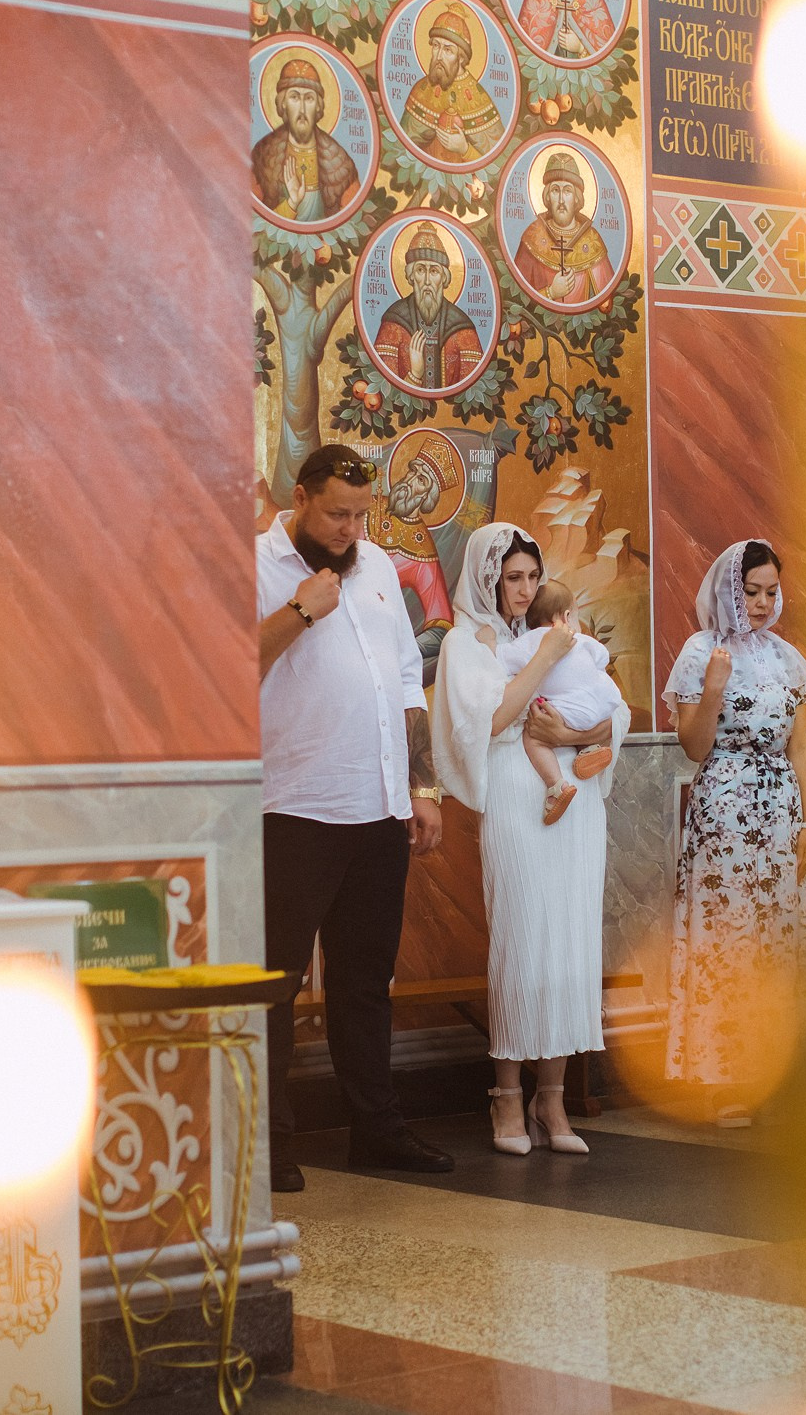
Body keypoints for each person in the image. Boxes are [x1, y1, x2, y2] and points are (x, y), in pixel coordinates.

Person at [258, 442, 456, 1191]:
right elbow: (232, 666)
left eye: (360, 515)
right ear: (301, 497)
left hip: (378, 806)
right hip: (293, 807)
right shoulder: (256, 563)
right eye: (337, 514)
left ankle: (377, 1130)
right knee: (273, 982)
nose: (349, 530)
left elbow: (408, 677)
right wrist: (299, 610)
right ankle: (271, 1142)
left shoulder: (374, 566)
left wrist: (423, 785)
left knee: (366, 980)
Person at [431, 523, 624, 1156]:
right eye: (511, 577)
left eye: (532, 577)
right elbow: (487, 723)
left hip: (576, 793)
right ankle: (507, 1098)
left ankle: (554, 1100)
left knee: (569, 937)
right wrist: (545, 658)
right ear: (487, 576)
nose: (523, 588)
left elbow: (612, 709)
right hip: (518, 791)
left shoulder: (561, 635)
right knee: (522, 935)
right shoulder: (468, 643)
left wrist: (577, 737)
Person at [663, 540, 806, 1129]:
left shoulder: (786, 657)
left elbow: (801, 744)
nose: (760, 603)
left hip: (779, 809)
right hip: (723, 812)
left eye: (770, 592)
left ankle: (774, 1071)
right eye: (750, 591)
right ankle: (723, 1075)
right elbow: (693, 746)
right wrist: (712, 689)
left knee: (775, 937)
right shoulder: (700, 651)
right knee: (726, 938)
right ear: (728, 590)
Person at [498, 579, 620, 824]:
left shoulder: (529, 642)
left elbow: (500, 657)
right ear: (566, 616)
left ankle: (556, 785)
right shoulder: (584, 641)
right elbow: (602, 658)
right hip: (603, 704)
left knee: (534, 736)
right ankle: (589, 748)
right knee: (578, 713)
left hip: (568, 710)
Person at [373, 226, 485, 391]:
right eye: (420, 270)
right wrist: (415, 375)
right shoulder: (393, 322)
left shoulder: (463, 327)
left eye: (434, 271)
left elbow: (472, 392)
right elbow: (383, 393)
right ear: (411, 276)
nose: (426, 281)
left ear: (444, 278)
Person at [252, 56, 361, 222]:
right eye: (294, 97)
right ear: (282, 103)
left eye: (309, 98)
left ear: (318, 105)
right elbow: (251, 224)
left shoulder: (339, 161)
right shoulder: (263, 155)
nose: (302, 108)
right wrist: (291, 204)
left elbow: (353, 222)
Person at [399, 7, 506, 164]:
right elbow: (401, 149)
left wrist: (465, 149)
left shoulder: (478, 97)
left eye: (448, 50)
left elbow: (499, 164)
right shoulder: (421, 89)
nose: (439, 55)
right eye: (436, 46)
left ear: (461, 58)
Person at [512, 151, 617, 307]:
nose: (561, 200)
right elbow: (515, 303)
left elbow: (607, 304)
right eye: (555, 190)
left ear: (576, 198)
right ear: (547, 196)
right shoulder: (532, 236)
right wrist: (551, 293)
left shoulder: (592, 240)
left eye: (567, 191)